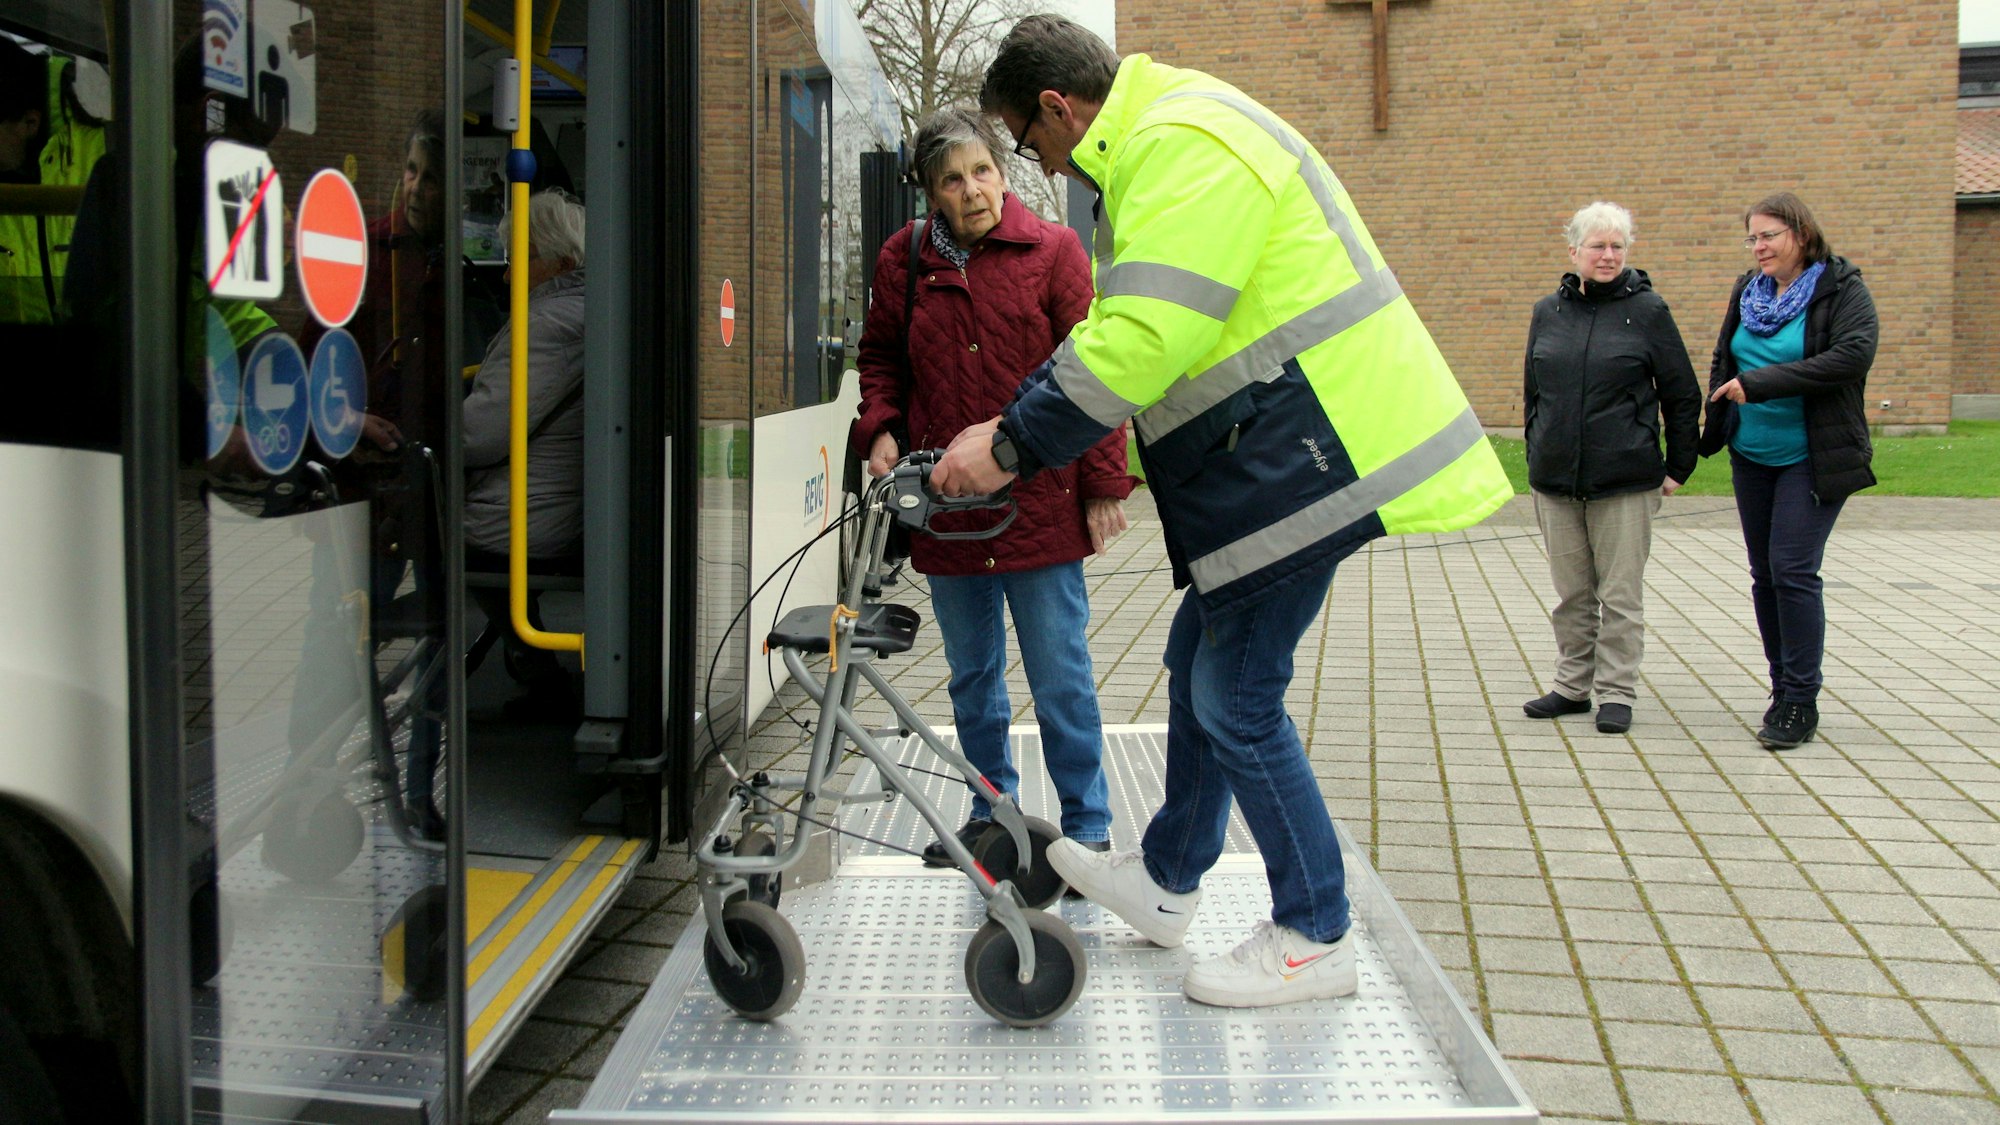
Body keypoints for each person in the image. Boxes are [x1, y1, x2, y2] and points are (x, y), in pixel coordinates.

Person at [932, 16, 1511, 1008]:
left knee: (1234, 696)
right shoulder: (1169, 130)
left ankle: (1314, 933)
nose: (1039, 167)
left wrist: (1014, 443)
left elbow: (1143, 336)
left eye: (1031, 146)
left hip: (1315, 449)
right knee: (1196, 656)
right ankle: (1164, 882)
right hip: (1283, 449)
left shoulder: (1177, 146)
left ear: (1059, 109)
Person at [851, 106, 1129, 864]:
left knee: (1061, 676)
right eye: (953, 177)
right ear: (931, 193)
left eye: (983, 171)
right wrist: (879, 426)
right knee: (973, 680)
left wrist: (1105, 483)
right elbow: (881, 359)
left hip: (1038, 505)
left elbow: (1100, 370)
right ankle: (991, 816)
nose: (973, 189)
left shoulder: (1057, 252)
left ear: (1004, 175)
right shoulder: (903, 261)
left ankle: (1089, 828)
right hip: (949, 511)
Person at [1699, 192, 1877, 750]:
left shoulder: (1840, 288)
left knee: (1793, 568)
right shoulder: (1747, 291)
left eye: (1768, 235)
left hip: (1812, 456)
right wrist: (1712, 417)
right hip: (1752, 454)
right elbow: (1726, 357)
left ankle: (1801, 700)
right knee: (1765, 574)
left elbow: (1852, 357)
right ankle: (1781, 688)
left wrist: (1764, 384)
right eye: (1751, 237)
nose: (1758, 247)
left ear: (1800, 233)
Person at [1519, 202, 1700, 736]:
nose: (1608, 255)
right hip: (1555, 482)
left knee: (1619, 596)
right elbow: (1534, 391)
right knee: (1571, 594)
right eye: (1597, 245)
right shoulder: (1547, 312)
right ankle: (1573, 687)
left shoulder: (1649, 312)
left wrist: (1678, 467)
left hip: (1625, 481)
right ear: (1573, 250)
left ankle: (1616, 692)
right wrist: (1537, 450)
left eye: (1617, 246)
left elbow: (1682, 395)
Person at [463, 188, 588, 708]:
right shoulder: (584, 312)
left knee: (417, 526)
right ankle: (530, 660)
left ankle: (422, 676)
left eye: (520, 260)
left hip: (519, 519)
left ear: (559, 263)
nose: (509, 275)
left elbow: (480, 436)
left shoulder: (545, 325)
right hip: (558, 507)